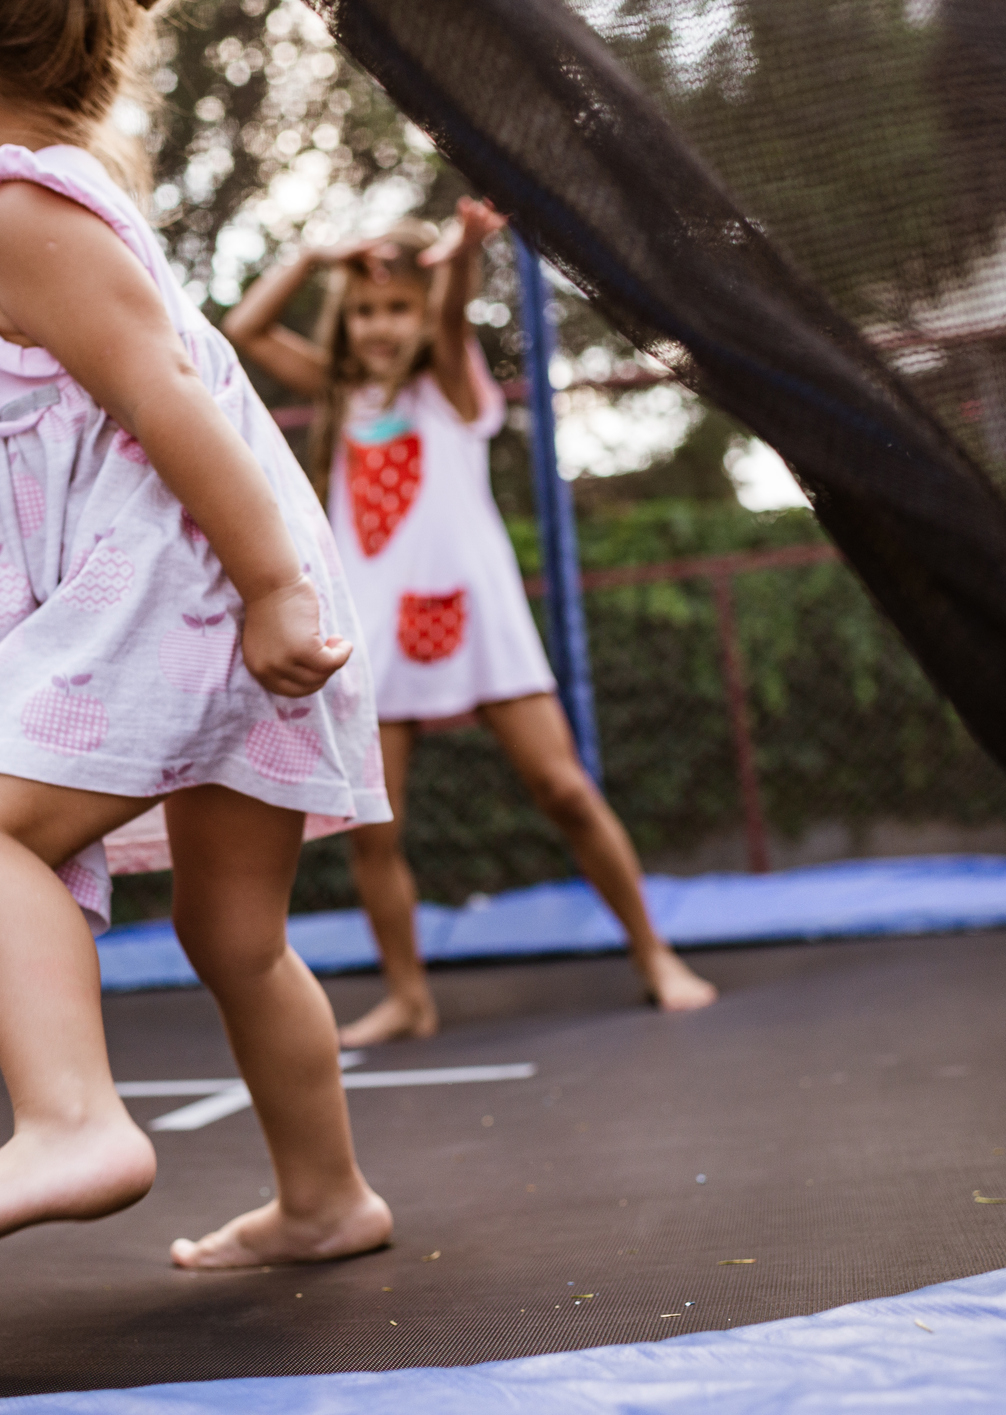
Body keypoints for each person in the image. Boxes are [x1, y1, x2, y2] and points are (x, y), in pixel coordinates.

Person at [0, 0, 394, 1268]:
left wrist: (267, 589)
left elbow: (162, 399)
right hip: (230, 586)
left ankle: (72, 1118)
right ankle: (326, 1197)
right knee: (234, 932)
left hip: (195, 589)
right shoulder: (59, 205)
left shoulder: (7, 212)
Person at [223, 200, 720, 1048]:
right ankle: (409, 996)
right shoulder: (342, 395)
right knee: (374, 827)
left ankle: (654, 952)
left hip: (478, 619)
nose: (383, 326)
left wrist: (456, 259)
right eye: (369, 310)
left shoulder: (452, 387)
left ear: (423, 312)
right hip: (375, 634)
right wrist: (312, 255)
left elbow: (450, 317)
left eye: (398, 309)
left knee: (562, 788)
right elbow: (244, 328)